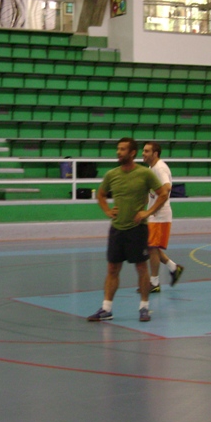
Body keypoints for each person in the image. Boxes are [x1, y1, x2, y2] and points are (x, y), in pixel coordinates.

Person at [87, 138, 169, 322]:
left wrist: (147, 212)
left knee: (141, 267)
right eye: (118, 149)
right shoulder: (112, 174)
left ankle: (144, 307)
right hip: (117, 229)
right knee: (112, 268)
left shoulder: (144, 174)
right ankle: (106, 309)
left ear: (132, 153)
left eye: (123, 149)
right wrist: (107, 211)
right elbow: (101, 194)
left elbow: (163, 193)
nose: (118, 152)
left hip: (137, 230)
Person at [141, 141, 184, 292]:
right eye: (143, 150)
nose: (143, 153)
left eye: (146, 151)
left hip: (160, 215)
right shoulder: (151, 168)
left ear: (155, 154)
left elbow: (166, 189)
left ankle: (154, 283)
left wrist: (152, 210)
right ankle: (174, 268)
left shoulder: (160, 168)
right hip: (154, 214)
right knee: (150, 246)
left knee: (152, 248)